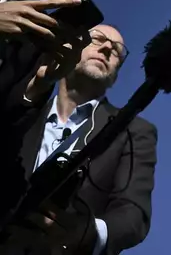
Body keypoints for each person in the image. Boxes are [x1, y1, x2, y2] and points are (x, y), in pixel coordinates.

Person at [1, 24, 158, 255]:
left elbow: (133, 213)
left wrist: (87, 232)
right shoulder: (27, 108)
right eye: (98, 39)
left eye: (116, 51)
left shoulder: (134, 130)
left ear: (115, 75)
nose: (106, 48)